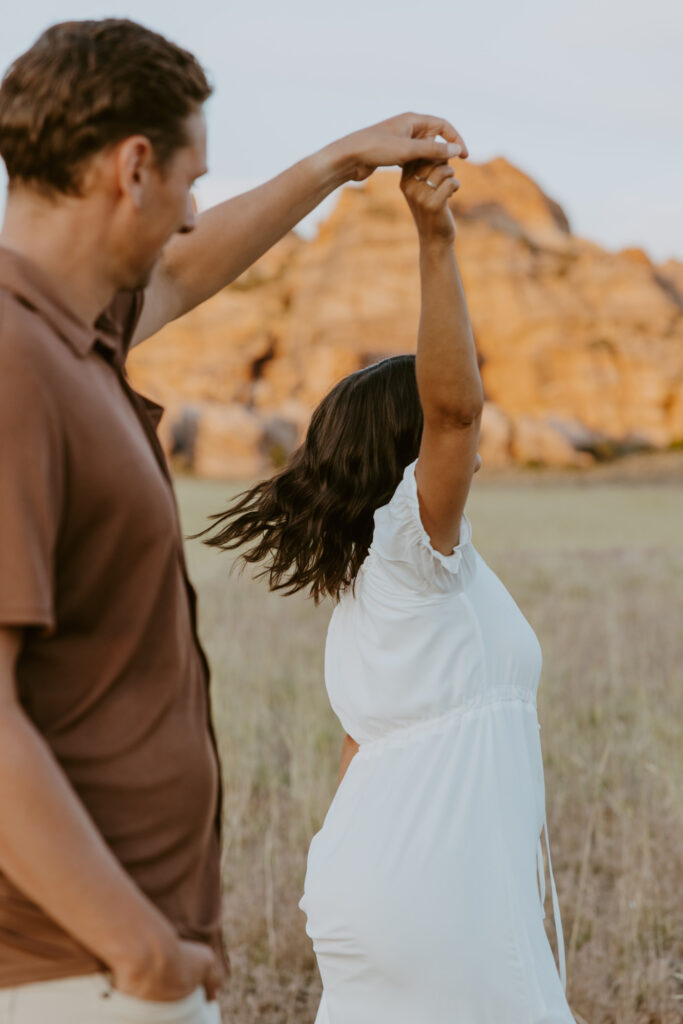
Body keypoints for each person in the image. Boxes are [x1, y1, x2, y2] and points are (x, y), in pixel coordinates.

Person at [0, 17, 467, 1024]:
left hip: (108, 964)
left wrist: (340, 160)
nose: (191, 211)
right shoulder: (13, 362)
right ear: (134, 167)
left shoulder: (68, 338)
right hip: (77, 970)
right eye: (191, 179)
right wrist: (138, 950)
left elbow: (180, 271)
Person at [202, 154, 576, 1023]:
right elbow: (454, 411)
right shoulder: (411, 548)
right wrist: (434, 235)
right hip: (432, 894)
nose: (470, 419)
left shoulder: (384, 576)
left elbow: (357, 746)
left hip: (382, 879)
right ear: (410, 451)